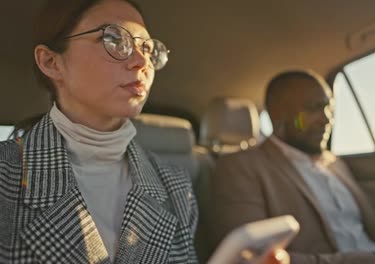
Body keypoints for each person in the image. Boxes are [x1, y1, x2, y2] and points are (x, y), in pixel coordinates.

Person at [0, 1, 290, 263]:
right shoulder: (7, 174)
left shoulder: (175, 184)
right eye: (114, 39)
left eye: (148, 48)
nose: (142, 62)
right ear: (52, 62)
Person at [210, 70, 375, 263]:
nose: (326, 119)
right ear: (277, 113)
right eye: (314, 108)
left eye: (329, 109)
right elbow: (252, 257)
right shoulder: (240, 167)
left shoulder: (335, 164)